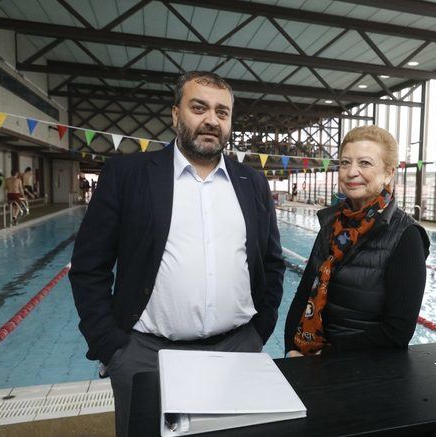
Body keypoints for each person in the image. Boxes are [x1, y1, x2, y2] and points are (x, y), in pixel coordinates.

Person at [69, 71, 285, 437]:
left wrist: (258, 331)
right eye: (199, 107)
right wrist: (112, 348)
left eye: (222, 112)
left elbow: (272, 262)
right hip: (146, 354)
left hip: (237, 349)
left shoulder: (252, 182)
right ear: (175, 115)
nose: (211, 120)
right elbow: (90, 268)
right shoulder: (128, 174)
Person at [284, 125, 430, 356]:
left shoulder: (406, 235)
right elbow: (303, 294)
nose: (352, 172)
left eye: (365, 163)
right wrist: (291, 348)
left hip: (364, 371)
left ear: (389, 173)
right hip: (311, 361)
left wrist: (326, 355)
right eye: (345, 162)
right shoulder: (331, 224)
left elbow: (397, 331)